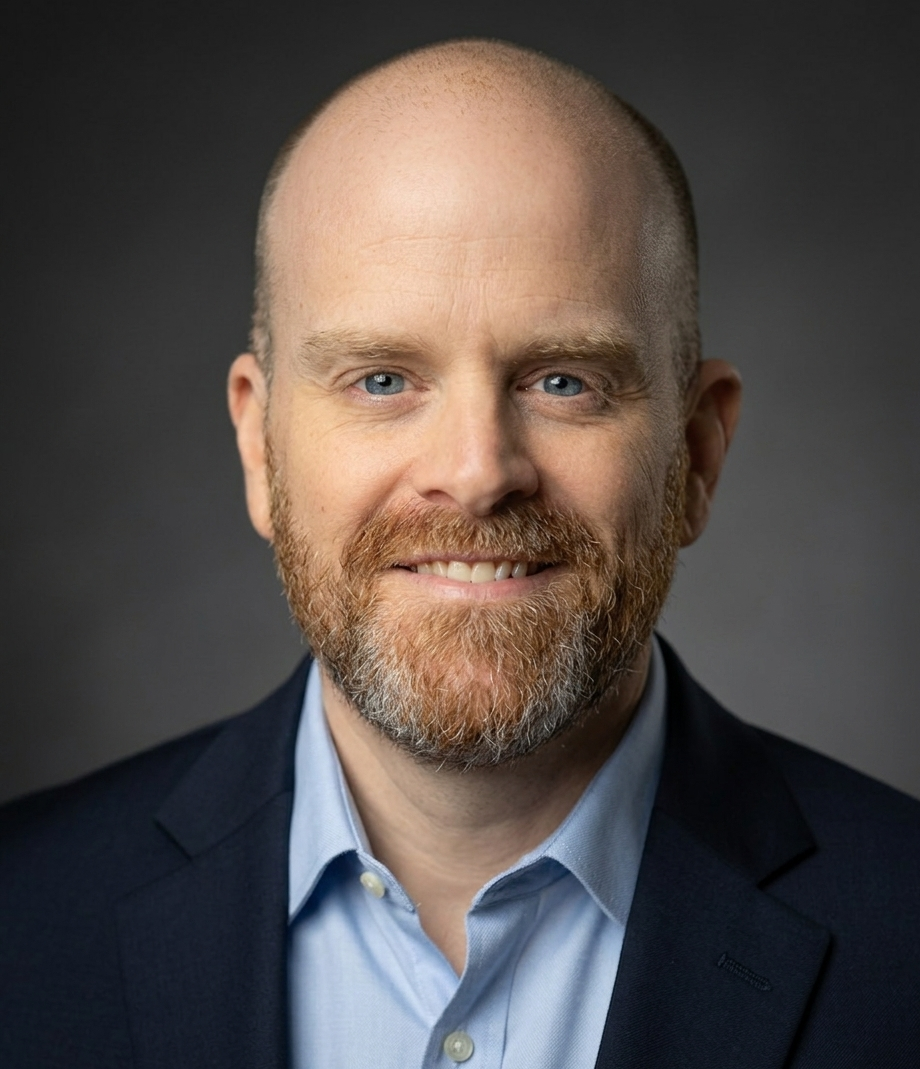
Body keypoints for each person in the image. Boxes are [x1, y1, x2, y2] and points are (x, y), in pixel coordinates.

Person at [1, 38, 918, 1069]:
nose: (478, 473)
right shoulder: (19, 923)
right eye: (382, 380)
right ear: (260, 446)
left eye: (564, 381)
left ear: (696, 453)